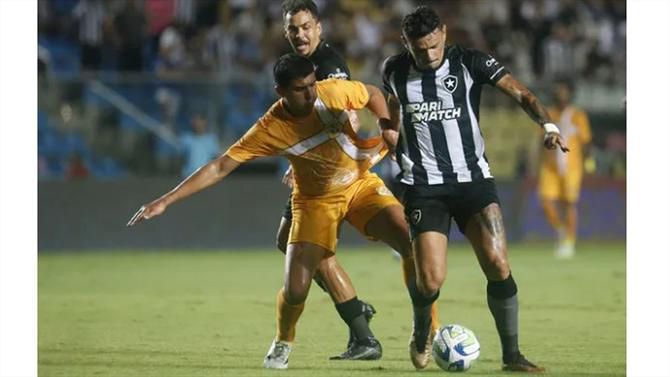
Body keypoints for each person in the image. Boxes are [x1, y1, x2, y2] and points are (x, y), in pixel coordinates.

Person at [128, 53, 423, 369]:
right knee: (296, 290)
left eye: (312, 84)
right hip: (315, 202)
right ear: (281, 91)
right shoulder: (271, 128)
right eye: (300, 89)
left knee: (410, 240)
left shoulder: (331, 91)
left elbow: (374, 94)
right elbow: (220, 166)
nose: (311, 93)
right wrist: (166, 200)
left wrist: (386, 126)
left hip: (359, 183)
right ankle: (284, 341)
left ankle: (424, 335)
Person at [380, 6, 569, 372]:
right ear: (406, 44)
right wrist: (390, 128)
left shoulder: (470, 62)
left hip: (473, 182)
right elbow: (392, 106)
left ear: (445, 34)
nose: (430, 55)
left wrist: (547, 126)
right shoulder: (394, 70)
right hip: (424, 187)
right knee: (430, 279)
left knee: (498, 265)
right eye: (420, 50)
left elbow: (522, 94)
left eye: (434, 47)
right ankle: (422, 332)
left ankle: (512, 356)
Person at [275, 0, 439, 360]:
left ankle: (422, 329)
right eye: (293, 29)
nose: (299, 34)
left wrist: (314, 149)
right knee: (288, 243)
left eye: (305, 27)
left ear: (319, 27)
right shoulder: (298, 66)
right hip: (316, 178)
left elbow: (347, 115)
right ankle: (359, 326)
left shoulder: (329, 67)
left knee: (401, 241)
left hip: (339, 175)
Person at [538, 79, 591, 259]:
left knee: (569, 203)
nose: (560, 95)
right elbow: (541, 141)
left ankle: (569, 241)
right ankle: (561, 230)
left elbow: (586, 141)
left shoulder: (577, 115)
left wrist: (589, 161)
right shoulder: (548, 114)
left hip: (572, 166)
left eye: (564, 91)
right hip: (550, 167)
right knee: (546, 201)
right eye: (558, 91)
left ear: (570, 93)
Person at [178, 113, 220, 179]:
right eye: (194, 120)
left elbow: (216, 157)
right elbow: (179, 157)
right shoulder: (185, 138)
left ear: (204, 122)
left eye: (198, 120)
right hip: (187, 176)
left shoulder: (211, 139)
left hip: (205, 177)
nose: (196, 123)